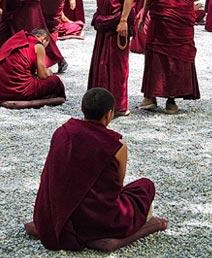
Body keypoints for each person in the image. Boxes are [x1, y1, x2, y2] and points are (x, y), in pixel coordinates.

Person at [26, 88, 167, 252]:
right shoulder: (118, 147)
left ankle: (66, 231)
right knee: (146, 185)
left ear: (83, 110)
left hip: (60, 215)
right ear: (109, 115)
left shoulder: (62, 132)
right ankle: (116, 237)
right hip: (99, 221)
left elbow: (52, 176)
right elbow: (117, 186)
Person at [139, 0, 204, 114]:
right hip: (182, 16)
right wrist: (185, 0)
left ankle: (150, 97)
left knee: (156, 53)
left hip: (162, 16)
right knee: (178, 56)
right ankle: (171, 101)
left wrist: (143, 14)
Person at [88, 0, 137, 116]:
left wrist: (124, 20)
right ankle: (102, 105)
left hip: (117, 21)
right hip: (105, 22)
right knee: (102, 63)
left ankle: (119, 104)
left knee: (116, 64)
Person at [0, 29, 66, 105]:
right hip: (16, 90)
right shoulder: (38, 45)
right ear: (45, 39)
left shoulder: (18, 40)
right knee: (55, 81)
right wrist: (48, 72)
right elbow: (42, 75)